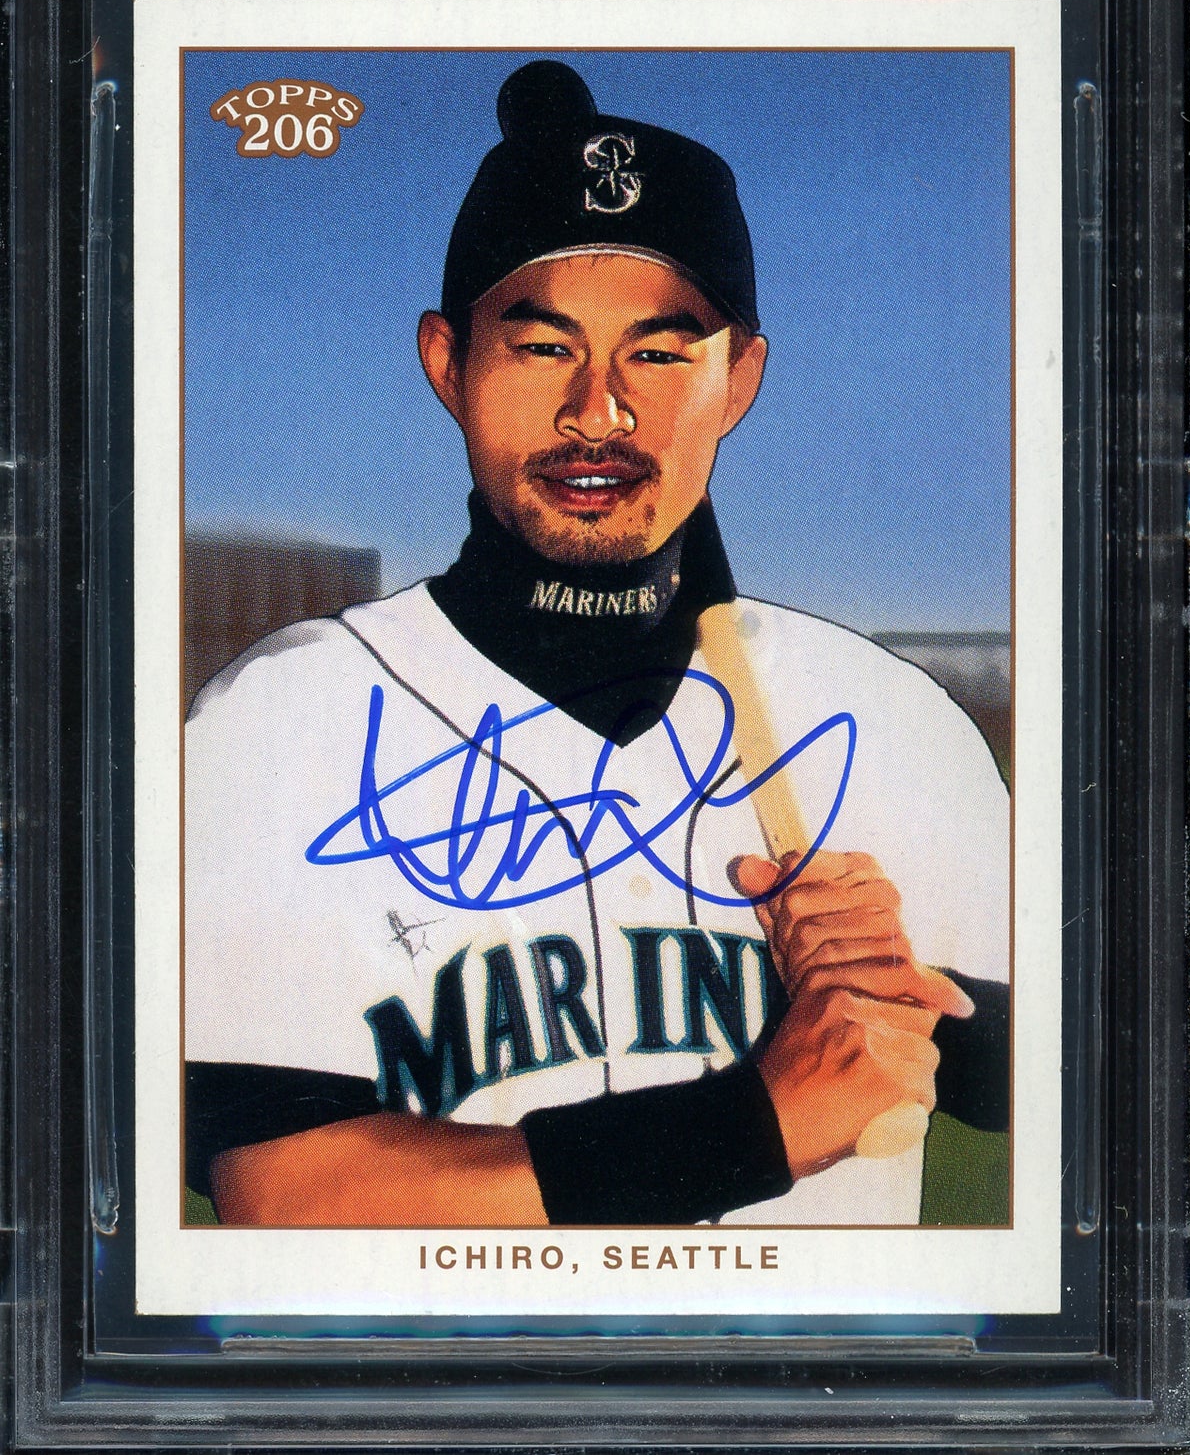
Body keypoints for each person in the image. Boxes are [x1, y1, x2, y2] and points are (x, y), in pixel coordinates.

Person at [185, 59, 1009, 1229]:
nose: (598, 411)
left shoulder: (891, 720)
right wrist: (752, 1128)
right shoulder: (276, 720)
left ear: (739, 380)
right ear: (446, 364)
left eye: (660, 352)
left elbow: (1087, 1094)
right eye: (542, 347)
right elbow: (285, 1197)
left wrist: (924, 998)